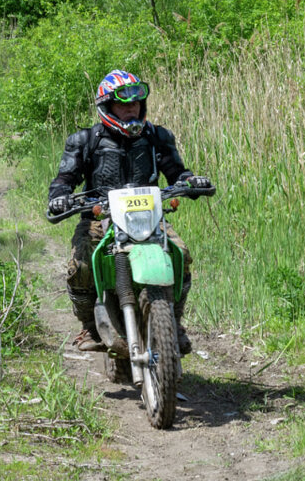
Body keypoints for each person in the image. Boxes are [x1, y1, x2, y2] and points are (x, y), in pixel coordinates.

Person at [47, 70, 212, 355]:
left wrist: (190, 181)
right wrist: (60, 197)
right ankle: (89, 325)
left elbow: (177, 172)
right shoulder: (85, 140)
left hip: (148, 219)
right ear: (107, 106)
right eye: (123, 103)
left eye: (136, 101)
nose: (131, 107)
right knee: (81, 268)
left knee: (181, 256)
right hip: (100, 218)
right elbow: (64, 179)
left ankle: (173, 321)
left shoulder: (157, 136)